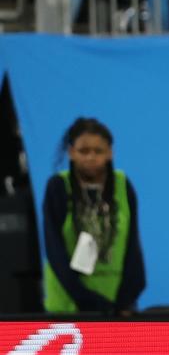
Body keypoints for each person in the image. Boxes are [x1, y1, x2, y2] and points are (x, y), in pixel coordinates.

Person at [42, 117, 147, 314]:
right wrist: (85, 299)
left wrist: (127, 298)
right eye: (83, 151)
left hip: (116, 303)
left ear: (110, 153)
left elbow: (133, 247)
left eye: (98, 151)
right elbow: (54, 250)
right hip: (67, 306)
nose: (90, 157)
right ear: (71, 152)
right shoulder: (58, 186)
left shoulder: (123, 185)